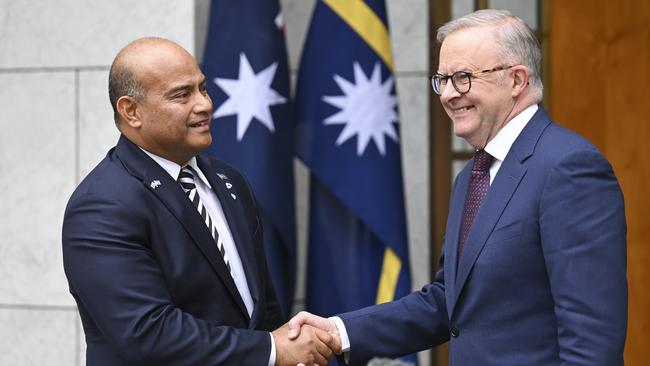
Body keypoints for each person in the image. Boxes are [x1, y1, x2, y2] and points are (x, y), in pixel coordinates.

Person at [288, 9, 627, 366]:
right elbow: (447, 302)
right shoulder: (472, 176)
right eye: (442, 79)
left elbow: (592, 345)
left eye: (463, 77)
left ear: (516, 80)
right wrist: (338, 332)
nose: (449, 94)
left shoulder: (569, 168)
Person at [62, 37, 336, 366]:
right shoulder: (102, 205)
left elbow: (261, 309)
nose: (204, 104)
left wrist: (286, 347)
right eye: (182, 94)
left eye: (203, 88)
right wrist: (272, 351)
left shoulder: (228, 180)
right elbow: (148, 333)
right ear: (131, 111)